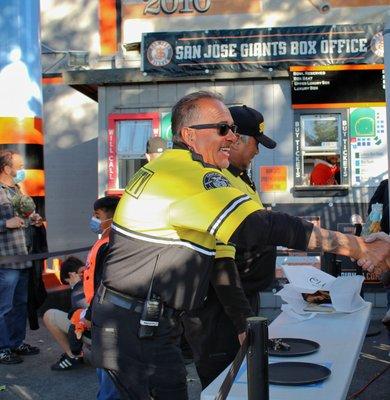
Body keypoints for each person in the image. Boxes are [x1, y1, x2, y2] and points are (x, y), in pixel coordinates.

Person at [91, 91, 389, 400]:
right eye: (222, 129)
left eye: (233, 129)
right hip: (138, 327)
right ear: (188, 135)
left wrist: (244, 322)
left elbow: (222, 256)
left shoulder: (178, 169)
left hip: (144, 323)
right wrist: (359, 248)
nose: (232, 137)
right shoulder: (189, 176)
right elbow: (260, 227)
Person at [182, 105, 278, 387]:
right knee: (223, 384)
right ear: (236, 140)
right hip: (220, 309)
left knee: (245, 382)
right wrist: (241, 320)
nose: (257, 152)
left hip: (242, 298)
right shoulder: (217, 182)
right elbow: (219, 260)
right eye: (255, 144)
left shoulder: (239, 177)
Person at [0, 149, 42, 365]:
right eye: (19, 166)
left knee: (19, 304)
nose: (22, 170)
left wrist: (32, 219)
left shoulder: (16, 189)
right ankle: (3, 348)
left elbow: (22, 216)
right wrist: (4, 224)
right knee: (4, 306)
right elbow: (8, 222)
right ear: (7, 168)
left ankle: (16, 343)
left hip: (23, 256)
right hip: (6, 260)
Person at [43, 256, 87, 370]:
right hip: (113, 331)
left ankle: (73, 356)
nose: (70, 286)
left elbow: (80, 312)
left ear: (72, 275)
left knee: (49, 316)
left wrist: (77, 286)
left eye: (69, 282)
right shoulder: (96, 274)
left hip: (95, 332)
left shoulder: (80, 287)